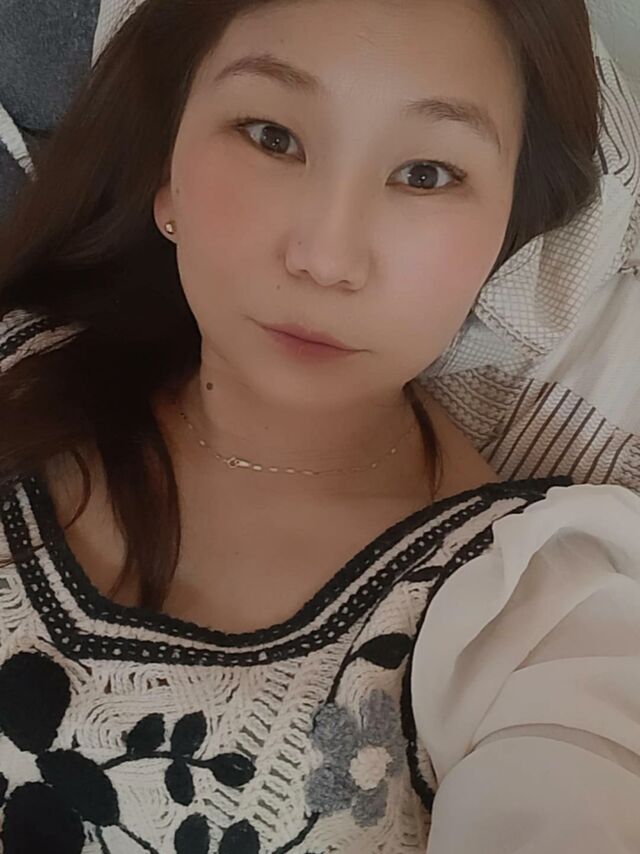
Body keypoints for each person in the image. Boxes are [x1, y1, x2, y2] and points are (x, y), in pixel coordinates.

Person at [0, 0, 639, 852]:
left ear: (505, 235)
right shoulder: (22, 357)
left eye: (426, 174)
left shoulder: (537, 614)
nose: (326, 259)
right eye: (272, 136)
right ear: (168, 171)